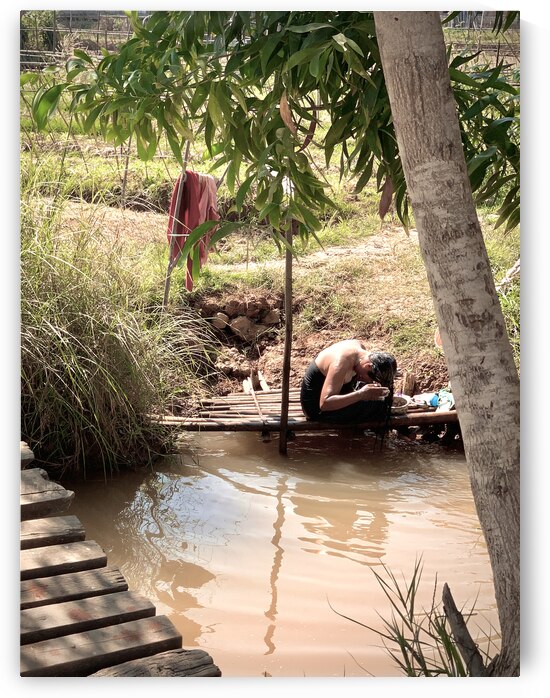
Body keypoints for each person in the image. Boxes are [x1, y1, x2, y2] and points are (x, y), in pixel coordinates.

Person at [300, 339, 399, 424]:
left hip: (338, 394)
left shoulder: (361, 350)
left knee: (379, 402)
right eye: (371, 378)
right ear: (368, 366)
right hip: (316, 408)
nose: (369, 381)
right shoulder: (340, 363)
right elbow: (325, 404)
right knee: (377, 408)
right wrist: (361, 394)